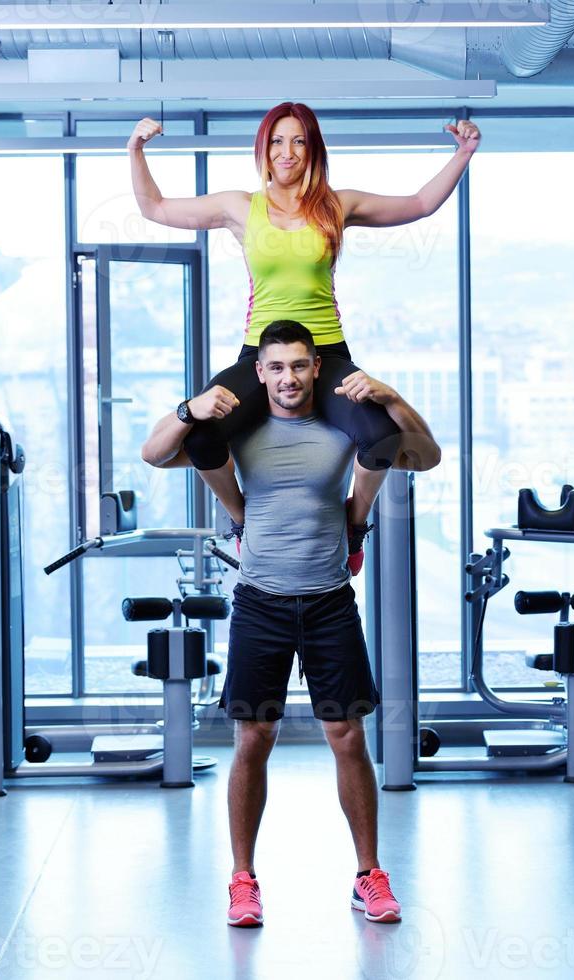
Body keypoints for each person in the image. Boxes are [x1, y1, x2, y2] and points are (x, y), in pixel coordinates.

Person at [141, 320, 441, 927]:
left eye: (299, 366)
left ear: (316, 369)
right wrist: (189, 406)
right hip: (260, 602)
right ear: (260, 372)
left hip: (330, 600)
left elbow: (427, 455)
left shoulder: (341, 427)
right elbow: (155, 452)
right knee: (253, 739)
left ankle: (368, 876)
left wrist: (389, 396)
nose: (288, 378)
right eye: (276, 367)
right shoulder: (242, 432)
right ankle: (243, 880)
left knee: (348, 737)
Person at [128, 102, 478, 566]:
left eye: (298, 140)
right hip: (262, 352)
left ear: (312, 148)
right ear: (264, 149)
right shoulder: (240, 206)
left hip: (326, 353)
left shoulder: (336, 204)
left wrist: (463, 153)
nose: (287, 151)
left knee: (379, 436)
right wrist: (135, 149)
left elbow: (418, 204)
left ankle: (355, 526)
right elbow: (154, 207)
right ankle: (241, 519)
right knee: (201, 438)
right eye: (277, 141)